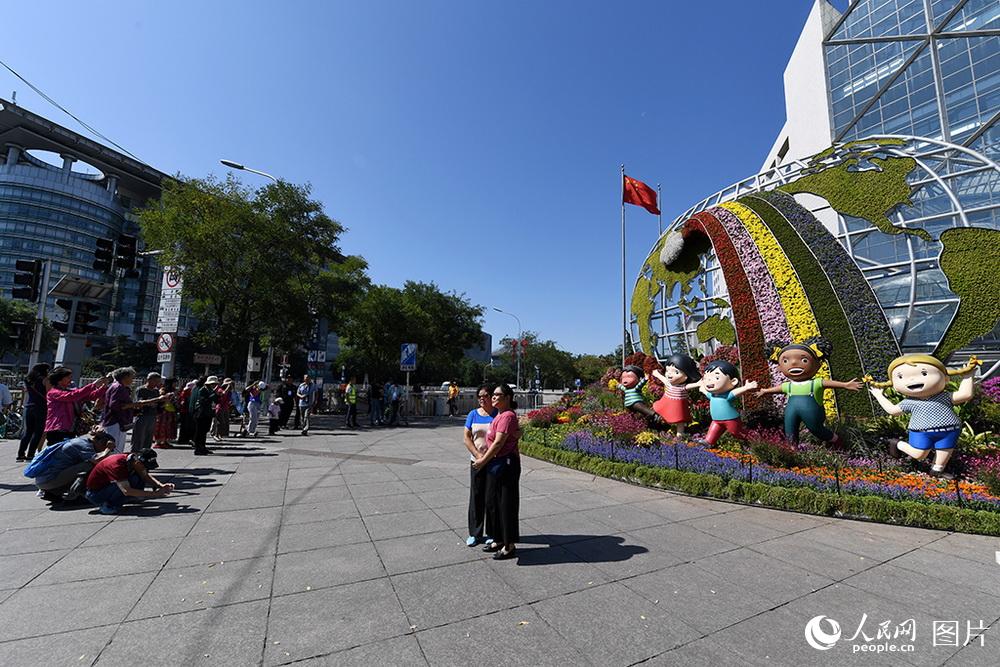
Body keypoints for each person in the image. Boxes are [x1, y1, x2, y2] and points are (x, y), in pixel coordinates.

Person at [868, 355, 980, 479]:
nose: (912, 380)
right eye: (900, 377)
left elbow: (965, 394)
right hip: (921, 432)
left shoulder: (945, 396)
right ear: (894, 384)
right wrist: (879, 395)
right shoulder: (909, 402)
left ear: (946, 378)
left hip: (949, 431)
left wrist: (968, 376)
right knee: (919, 454)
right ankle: (897, 444)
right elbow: (893, 411)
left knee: (944, 451)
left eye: (924, 374)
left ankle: (937, 471)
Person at [757, 337, 863, 446]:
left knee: (816, 429)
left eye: (804, 360)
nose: (793, 363)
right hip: (791, 412)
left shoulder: (815, 383)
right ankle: (793, 451)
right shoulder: (789, 385)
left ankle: (836, 440)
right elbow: (778, 389)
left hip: (813, 412)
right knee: (790, 430)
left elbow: (830, 383)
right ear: (779, 367)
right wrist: (765, 391)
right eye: (785, 361)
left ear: (818, 365)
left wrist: (845, 385)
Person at [475, 383, 521, 561]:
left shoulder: (507, 416)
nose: (493, 397)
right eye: (492, 394)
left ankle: (509, 545)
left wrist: (482, 461)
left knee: (506, 504)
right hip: (496, 464)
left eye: (497, 395)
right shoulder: (499, 415)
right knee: (492, 502)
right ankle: (499, 538)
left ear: (507, 398)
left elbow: (499, 443)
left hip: (506, 465)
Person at [28, 429, 116, 501]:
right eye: (104, 448)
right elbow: (97, 461)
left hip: (45, 480)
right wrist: (108, 449)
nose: (102, 451)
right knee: (90, 465)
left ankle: (54, 492)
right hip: (49, 480)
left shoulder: (82, 441)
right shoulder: (84, 446)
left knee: (84, 464)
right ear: (101, 442)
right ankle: (75, 495)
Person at [84, 448, 174, 515]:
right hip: (95, 494)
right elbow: (127, 490)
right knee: (125, 484)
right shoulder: (117, 466)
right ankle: (108, 506)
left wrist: (161, 486)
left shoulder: (133, 459)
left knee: (137, 476)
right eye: (145, 467)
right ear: (138, 463)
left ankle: (127, 499)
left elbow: (145, 475)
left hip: (106, 487)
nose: (146, 469)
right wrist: (156, 494)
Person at [101, 367, 167, 454]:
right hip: (116, 422)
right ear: (125, 377)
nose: (133, 379)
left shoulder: (118, 386)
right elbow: (116, 405)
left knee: (115, 449)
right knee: (115, 449)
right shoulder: (119, 387)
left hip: (116, 422)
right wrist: (137, 404)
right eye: (131, 377)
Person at [692, 360, 758, 446]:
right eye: (706, 378)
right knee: (713, 430)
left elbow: (736, 392)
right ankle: (708, 442)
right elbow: (706, 392)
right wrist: (702, 389)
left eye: (717, 378)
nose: (709, 381)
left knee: (736, 432)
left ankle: (755, 438)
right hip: (716, 420)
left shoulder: (728, 395)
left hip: (730, 419)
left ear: (733, 381)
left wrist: (746, 387)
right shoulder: (712, 395)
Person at [463, 385, 497, 547]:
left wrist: (488, 457)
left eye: (485, 395)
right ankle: (475, 533)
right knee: (476, 496)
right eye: (479, 396)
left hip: (494, 461)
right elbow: (467, 437)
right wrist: (478, 456)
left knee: (491, 497)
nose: (482, 398)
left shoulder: (498, 414)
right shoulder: (473, 414)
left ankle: (491, 532)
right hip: (476, 461)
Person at [44, 367, 110, 448]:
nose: (70, 379)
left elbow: (91, 396)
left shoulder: (69, 391)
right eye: (68, 377)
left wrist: (103, 386)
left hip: (70, 427)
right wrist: (93, 385)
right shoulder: (53, 392)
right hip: (57, 428)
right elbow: (73, 396)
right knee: (55, 452)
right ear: (59, 379)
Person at [651, 354, 702, 436]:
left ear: (686, 376)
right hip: (666, 403)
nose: (669, 374)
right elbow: (663, 378)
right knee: (662, 414)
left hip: (678, 406)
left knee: (679, 419)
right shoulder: (668, 383)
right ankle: (662, 427)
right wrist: (657, 374)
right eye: (667, 371)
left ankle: (680, 433)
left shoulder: (682, 387)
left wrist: (699, 383)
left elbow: (689, 386)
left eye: (676, 372)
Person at [17, 363, 50, 462]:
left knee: (28, 432)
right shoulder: (45, 380)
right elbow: (49, 393)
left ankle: (20, 454)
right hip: (41, 407)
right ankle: (30, 454)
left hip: (29, 406)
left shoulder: (28, 380)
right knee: (38, 432)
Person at [131, 372, 163, 452]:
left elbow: (158, 403)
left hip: (152, 416)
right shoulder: (141, 390)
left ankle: (145, 455)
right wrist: (151, 403)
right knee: (138, 438)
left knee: (148, 438)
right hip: (142, 416)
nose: (157, 383)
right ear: (149, 380)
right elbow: (139, 402)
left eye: (158, 381)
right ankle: (135, 454)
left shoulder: (156, 391)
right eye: (155, 381)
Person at [191, 376, 219, 455]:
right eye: (213, 384)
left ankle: (202, 447)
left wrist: (216, 395)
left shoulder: (211, 390)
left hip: (208, 413)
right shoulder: (202, 390)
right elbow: (203, 401)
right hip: (201, 413)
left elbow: (216, 400)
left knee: (205, 431)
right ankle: (198, 448)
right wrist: (212, 396)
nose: (214, 385)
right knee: (200, 431)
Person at [154, 378, 179, 449]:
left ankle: (165, 441)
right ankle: (158, 442)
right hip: (164, 411)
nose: (175, 385)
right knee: (162, 426)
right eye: (174, 383)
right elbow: (160, 400)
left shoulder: (174, 391)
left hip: (171, 411)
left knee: (169, 427)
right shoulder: (163, 390)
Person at [176, 379, 196, 445]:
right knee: (186, 426)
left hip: (184, 411)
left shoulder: (184, 392)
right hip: (186, 411)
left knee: (185, 426)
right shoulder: (186, 393)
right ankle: (184, 439)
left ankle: (184, 439)